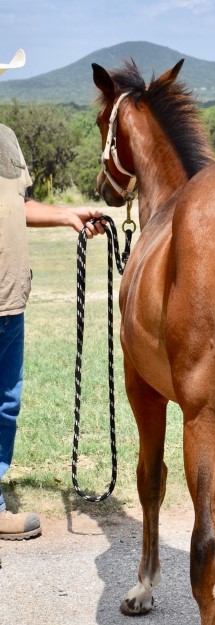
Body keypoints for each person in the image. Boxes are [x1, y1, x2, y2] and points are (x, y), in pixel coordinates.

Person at [0, 49, 106, 541]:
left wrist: (67, 215)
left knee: (5, 404)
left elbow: (18, 206)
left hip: (10, 299)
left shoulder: (6, 139)